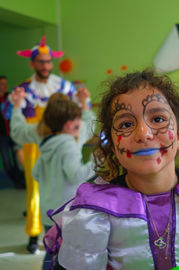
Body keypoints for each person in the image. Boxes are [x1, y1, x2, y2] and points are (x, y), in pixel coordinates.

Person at [44, 70, 179, 270]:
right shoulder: (95, 212)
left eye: (158, 119)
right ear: (112, 144)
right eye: (126, 124)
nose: (143, 133)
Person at [2, 36, 92, 254]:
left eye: (48, 61)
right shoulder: (24, 88)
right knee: (35, 190)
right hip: (37, 141)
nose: (45, 65)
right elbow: (12, 119)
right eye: (40, 62)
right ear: (32, 63)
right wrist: (18, 148)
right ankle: (34, 233)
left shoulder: (63, 86)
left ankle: (54, 240)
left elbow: (19, 127)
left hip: (50, 141)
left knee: (52, 187)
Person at [11, 89, 96, 269]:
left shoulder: (44, 138)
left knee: (52, 250)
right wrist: (95, 160)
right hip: (67, 211)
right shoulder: (71, 141)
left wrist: (17, 106)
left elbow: (35, 172)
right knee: (68, 254)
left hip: (48, 210)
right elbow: (77, 175)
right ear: (69, 123)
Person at [0, 75, 25, 189]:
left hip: (13, 134)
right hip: (2, 136)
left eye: (5, 84)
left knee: (18, 161)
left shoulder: (10, 97)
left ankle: (20, 181)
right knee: (6, 163)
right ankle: (17, 181)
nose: (3, 86)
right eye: (1, 84)